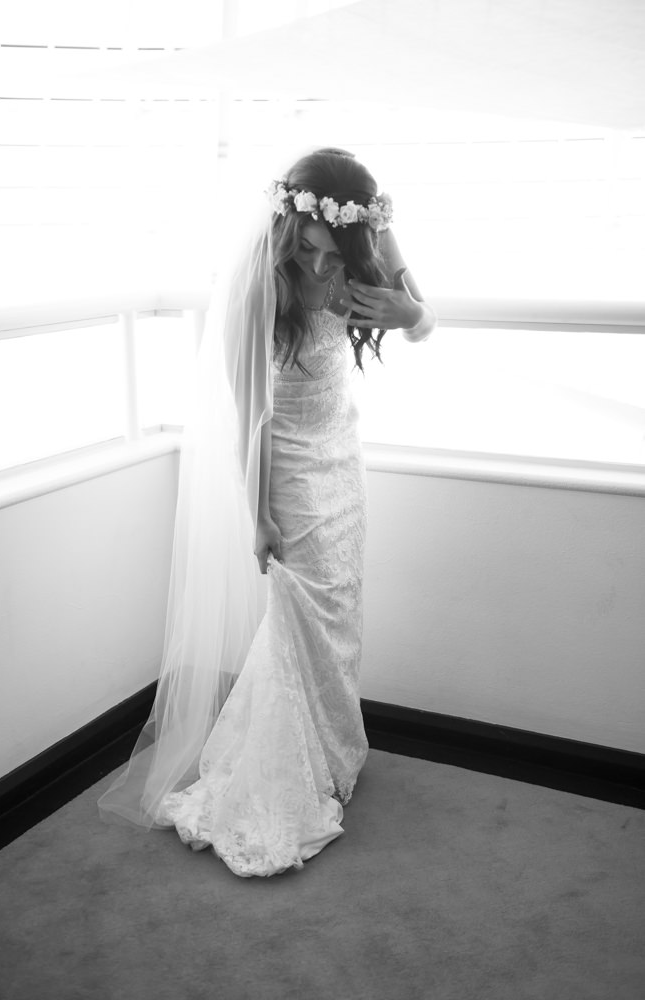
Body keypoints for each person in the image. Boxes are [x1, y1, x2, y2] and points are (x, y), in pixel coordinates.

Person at [98, 147, 436, 878]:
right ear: (288, 232)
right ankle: (285, 768)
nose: (321, 268)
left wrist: (411, 310)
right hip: (284, 465)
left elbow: (423, 322)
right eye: (308, 251)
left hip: (341, 452)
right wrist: (258, 515)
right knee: (298, 613)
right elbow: (248, 415)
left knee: (339, 607)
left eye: (333, 254)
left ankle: (331, 752)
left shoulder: (370, 234)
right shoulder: (257, 283)